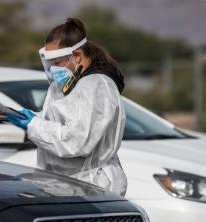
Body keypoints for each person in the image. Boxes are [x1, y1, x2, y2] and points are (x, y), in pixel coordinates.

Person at [7, 18, 127, 196]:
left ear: (77, 56)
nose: (53, 69)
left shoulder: (96, 85)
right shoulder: (65, 85)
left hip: (91, 186)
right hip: (65, 184)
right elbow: (60, 120)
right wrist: (33, 118)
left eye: (57, 62)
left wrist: (34, 125)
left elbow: (77, 141)